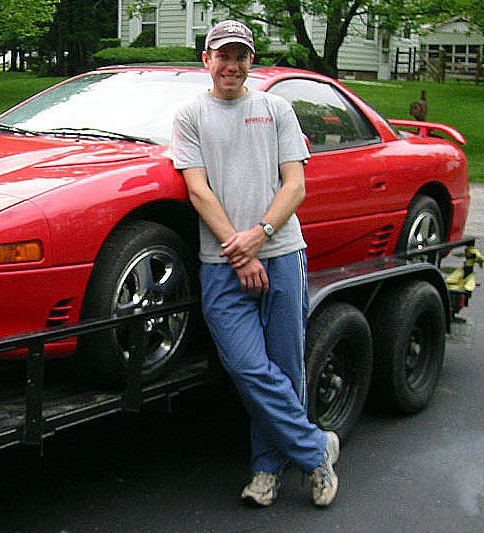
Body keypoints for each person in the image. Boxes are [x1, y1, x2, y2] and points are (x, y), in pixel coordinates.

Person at [169, 19, 339, 507]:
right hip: (222, 261)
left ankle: (266, 470)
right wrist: (238, 250)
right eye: (223, 55)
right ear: (206, 60)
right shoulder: (190, 115)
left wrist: (259, 235)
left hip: (281, 252)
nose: (232, 65)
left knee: (284, 368)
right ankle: (316, 450)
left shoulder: (275, 109)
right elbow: (198, 190)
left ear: (251, 61)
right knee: (247, 368)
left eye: (240, 56)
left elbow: (295, 185)